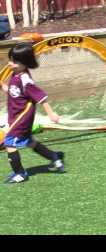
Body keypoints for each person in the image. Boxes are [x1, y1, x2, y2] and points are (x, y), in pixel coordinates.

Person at [1, 43, 65, 184]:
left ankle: (20, 173)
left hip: (22, 117)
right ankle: (54, 157)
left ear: (25, 63)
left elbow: (41, 97)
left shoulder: (25, 80)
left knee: (9, 143)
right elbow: (12, 92)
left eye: (14, 61)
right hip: (15, 115)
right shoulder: (15, 74)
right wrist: (2, 85)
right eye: (10, 59)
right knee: (30, 142)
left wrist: (51, 114)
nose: (10, 63)